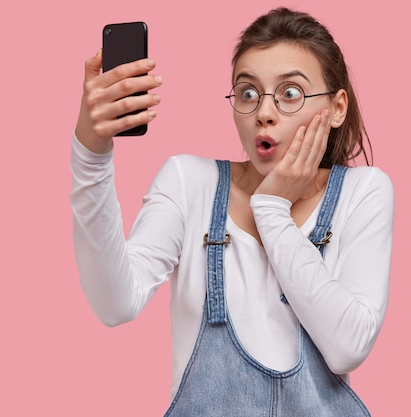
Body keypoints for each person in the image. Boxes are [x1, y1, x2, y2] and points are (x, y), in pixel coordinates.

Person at [71, 7, 394, 416]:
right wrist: (91, 154)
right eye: (248, 92)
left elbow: (349, 346)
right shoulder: (191, 182)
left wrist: (272, 208)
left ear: (336, 107)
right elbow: (114, 304)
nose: (264, 112)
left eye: (289, 93)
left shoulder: (363, 192)